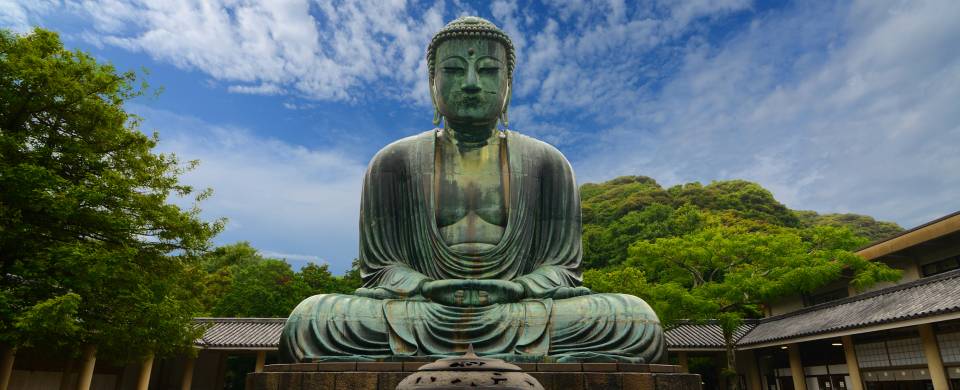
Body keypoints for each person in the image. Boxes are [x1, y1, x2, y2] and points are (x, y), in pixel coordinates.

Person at [280, 16, 665, 363]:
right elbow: (381, 269)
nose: (469, 83)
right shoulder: (393, 161)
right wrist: (427, 287)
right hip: (422, 310)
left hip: (521, 309)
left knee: (634, 319)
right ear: (432, 85)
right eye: (452, 70)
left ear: (508, 85)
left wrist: (516, 290)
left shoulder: (547, 162)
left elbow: (562, 269)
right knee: (312, 318)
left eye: (487, 70)